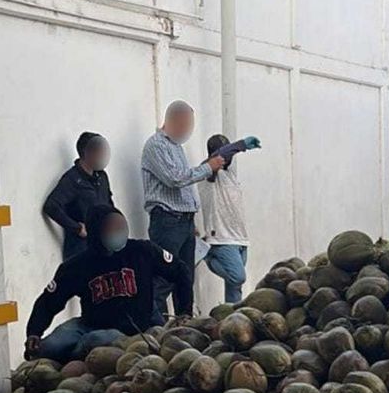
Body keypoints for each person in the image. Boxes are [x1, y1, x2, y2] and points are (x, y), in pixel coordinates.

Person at [24, 205, 193, 363]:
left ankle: (73, 361)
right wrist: (34, 332)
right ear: (96, 232)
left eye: (122, 227)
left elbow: (180, 271)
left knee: (95, 340)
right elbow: (48, 302)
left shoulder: (142, 251)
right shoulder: (76, 266)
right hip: (89, 324)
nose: (120, 232)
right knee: (48, 347)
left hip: (136, 329)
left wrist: (184, 311)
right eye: (113, 228)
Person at [141, 101, 225, 318]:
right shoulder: (156, 146)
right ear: (174, 121)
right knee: (163, 278)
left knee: (185, 277)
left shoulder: (176, 147)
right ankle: (155, 325)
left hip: (183, 222)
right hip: (167, 221)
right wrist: (208, 168)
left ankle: (185, 324)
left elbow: (184, 184)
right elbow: (175, 178)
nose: (188, 131)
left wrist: (192, 220)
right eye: (186, 125)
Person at [199, 133, 261, 304]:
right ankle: (208, 255)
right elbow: (218, 158)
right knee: (238, 277)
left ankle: (231, 318)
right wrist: (241, 145)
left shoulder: (231, 174)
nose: (227, 157)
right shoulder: (207, 174)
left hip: (240, 238)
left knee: (234, 288)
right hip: (221, 238)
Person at [43, 132, 114, 260]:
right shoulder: (72, 179)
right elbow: (51, 206)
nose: (103, 154)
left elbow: (109, 203)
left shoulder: (102, 177)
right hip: (81, 249)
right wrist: (76, 228)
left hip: (104, 244)